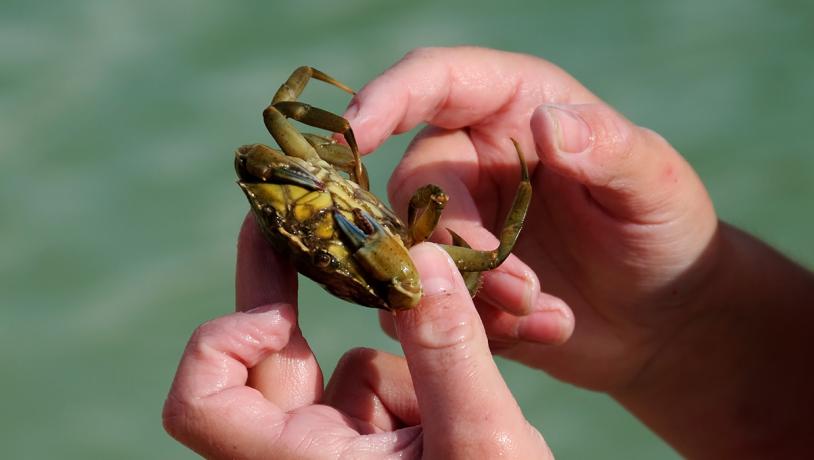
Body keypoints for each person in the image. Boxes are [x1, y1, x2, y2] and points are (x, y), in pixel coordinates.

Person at [162, 47, 814, 458]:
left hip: (375, 252)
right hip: (367, 250)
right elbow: (274, 130)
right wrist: (677, 322)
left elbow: (487, 253)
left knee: (471, 250)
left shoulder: (384, 221)